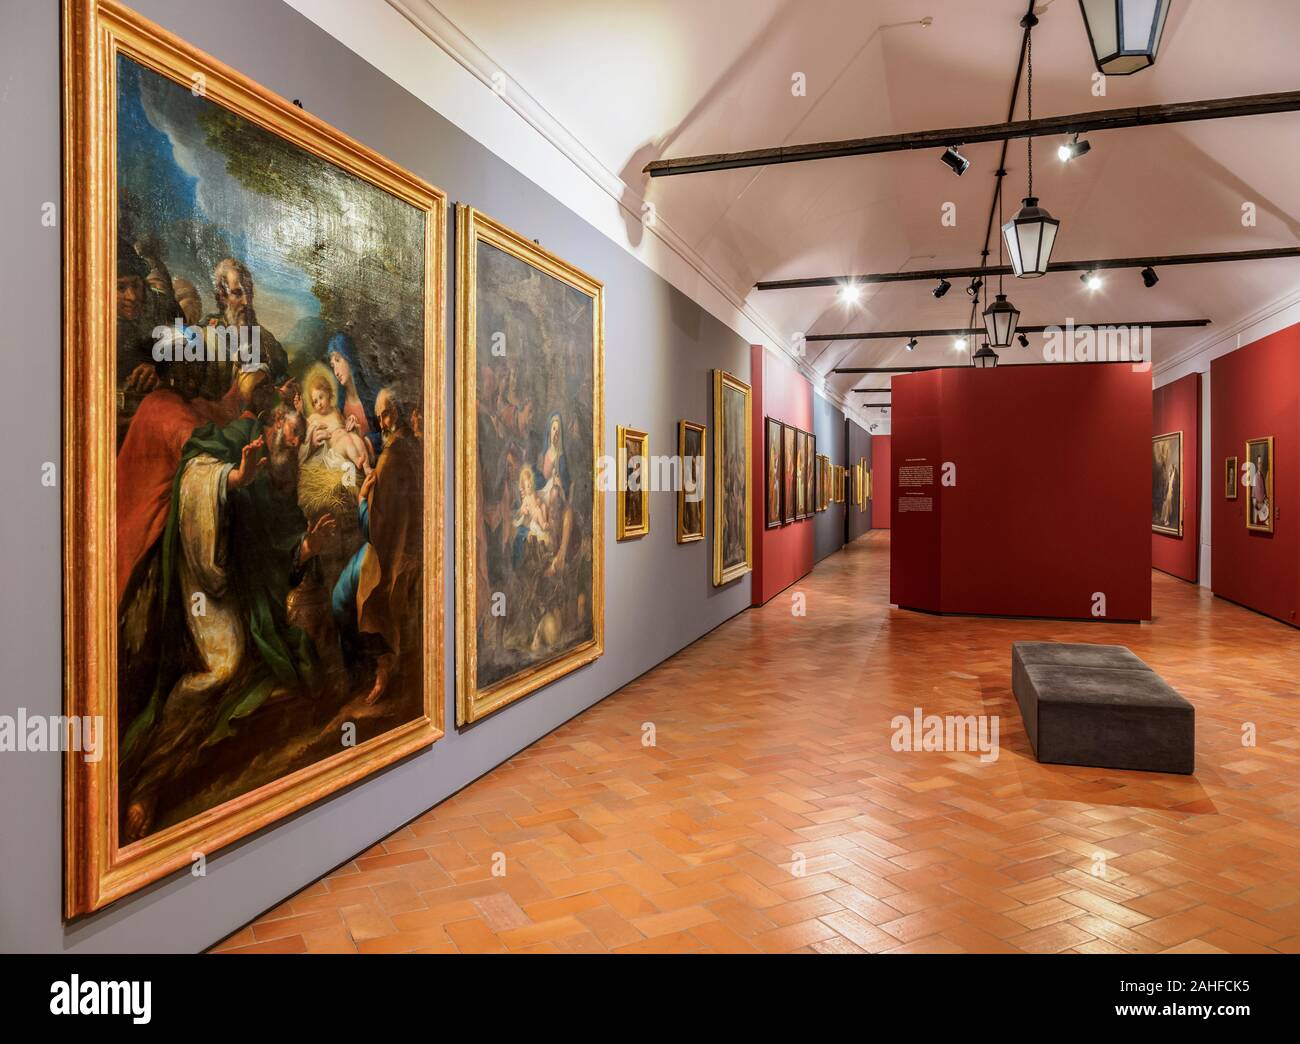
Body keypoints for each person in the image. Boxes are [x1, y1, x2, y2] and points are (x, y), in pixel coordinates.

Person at [120, 367, 334, 841]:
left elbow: (279, 549)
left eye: (300, 442)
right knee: (225, 664)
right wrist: (233, 479)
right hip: (201, 574)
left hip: (242, 587)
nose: (295, 445)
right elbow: (193, 469)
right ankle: (148, 779)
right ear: (276, 422)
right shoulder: (240, 436)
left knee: (278, 661)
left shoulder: (284, 480)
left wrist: (304, 550)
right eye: (293, 434)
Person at [331, 387, 422, 705]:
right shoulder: (409, 448)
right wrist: (371, 474)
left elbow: (374, 531)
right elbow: (392, 497)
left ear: (393, 415)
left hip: (390, 556)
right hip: (409, 548)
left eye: (383, 414)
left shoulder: (391, 457)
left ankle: (360, 672)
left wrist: (360, 501)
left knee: (341, 597)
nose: (379, 420)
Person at [326, 332, 382, 459]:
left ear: (349, 357)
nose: (336, 371)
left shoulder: (374, 395)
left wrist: (364, 439)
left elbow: (390, 436)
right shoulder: (340, 403)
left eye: (338, 360)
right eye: (332, 366)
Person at [304, 373, 373, 475]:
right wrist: (300, 410)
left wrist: (349, 421)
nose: (319, 403)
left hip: (347, 440)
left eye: (321, 397)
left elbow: (344, 424)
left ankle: (366, 467)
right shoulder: (315, 417)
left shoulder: (335, 410)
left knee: (355, 438)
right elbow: (305, 423)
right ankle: (358, 461)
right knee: (347, 440)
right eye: (315, 401)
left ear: (328, 393)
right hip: (335, 451)